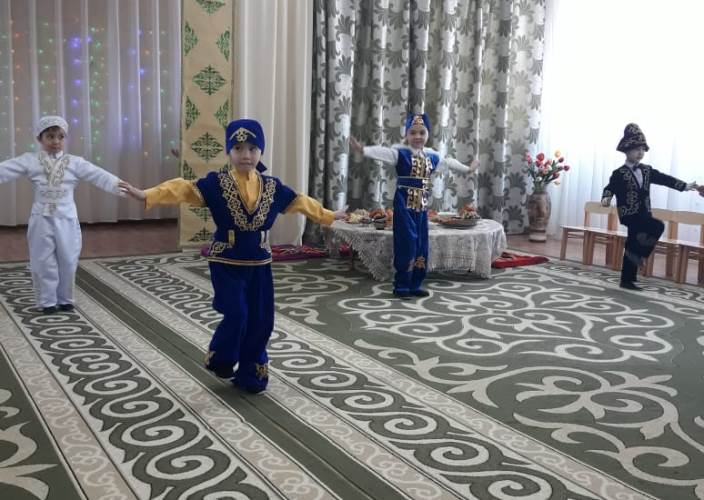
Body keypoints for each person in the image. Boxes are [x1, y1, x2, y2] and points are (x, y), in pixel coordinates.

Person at [120, 118, 345, 393]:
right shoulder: (217, 183)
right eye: (238, 148)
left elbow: (300, 201)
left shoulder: (272, 187)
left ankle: (252, 374)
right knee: (237, 313)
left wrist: (329, 215)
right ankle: (222, 358)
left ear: (261, 151)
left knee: (261, 319)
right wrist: (146, 194)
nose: (245, 155)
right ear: (229, 151)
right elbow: (183, 188)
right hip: (226, 261)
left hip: (259, 262)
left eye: (252, 148)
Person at [0, 115, 126, 313]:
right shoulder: (30, 160)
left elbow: (100, 175)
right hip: (41, 218)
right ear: (40, 139)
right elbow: (4, 169)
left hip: (67, 217)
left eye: (60, 137)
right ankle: (47, 301)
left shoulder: (75, 162)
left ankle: (66, 298)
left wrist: (125, 188)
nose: (56, 141)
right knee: (42, 260)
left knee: (68, 258)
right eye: (50, 136)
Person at [349, 112, 478, 299]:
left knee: (421, 244)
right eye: (413, 132)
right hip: (404, 203)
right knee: (407, 242)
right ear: (406, 135)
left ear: (428, 135)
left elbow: (449, 162)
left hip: (422, 206)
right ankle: (401, 286)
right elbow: (382, 152)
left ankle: (415, 284)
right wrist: (363, 150)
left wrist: (468, 169)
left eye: (422, 132)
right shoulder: (400, 153)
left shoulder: (432, 156)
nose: (417, 136)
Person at [601, 123, 700, 290]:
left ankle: (627, 279)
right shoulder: (619, 173)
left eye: (642, 149)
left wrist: (685, 186)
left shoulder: (647, 170)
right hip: (629, 214)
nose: (640, 153)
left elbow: (665, 179)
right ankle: (638, 256)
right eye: (636, 149)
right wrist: (606, 198)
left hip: (644, 212)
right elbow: (610, 187)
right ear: (627, 150)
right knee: (657, 226)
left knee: (633, 244)